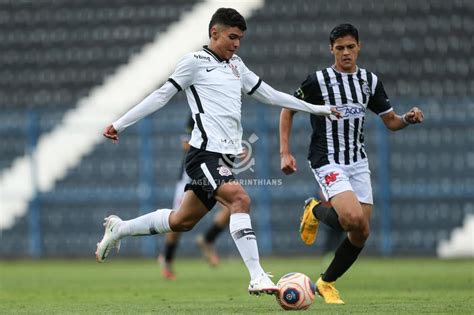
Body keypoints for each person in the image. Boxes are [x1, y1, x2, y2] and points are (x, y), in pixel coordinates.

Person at [96, 7, 338, 296]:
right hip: (203, 155)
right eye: (232, 37)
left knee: (181, 221)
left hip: (224, 158)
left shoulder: (237, 65)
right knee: (240, 199)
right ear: (214, 33)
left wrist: (317, 109)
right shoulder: (194, 62)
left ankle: (119, 228)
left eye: (240, 39)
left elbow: (271, 95)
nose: (236, 44)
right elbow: (161, 95)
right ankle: (257, 275)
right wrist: (120, 124)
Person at [279, 23, 424, 304]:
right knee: (352, 220)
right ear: (331, 49)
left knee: (361, 232)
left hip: (357, 161)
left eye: (350, 47)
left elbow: (391, 121)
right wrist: (285, 152)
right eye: (339, 48)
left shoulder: (369, 81)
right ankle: (315, 209)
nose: (345, 53)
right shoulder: (317, 81)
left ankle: (326, 282)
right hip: (327, 159)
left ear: (359, 47)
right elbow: (287, 108)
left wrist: (408, 118)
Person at [159, 117, 230, 280]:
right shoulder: (195, 114)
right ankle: (168, 259)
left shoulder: (221, 112)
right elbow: (185, 145)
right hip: (191, 176)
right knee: (178, 221)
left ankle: (207, 239)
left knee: (233, 205)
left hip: (212, 171)